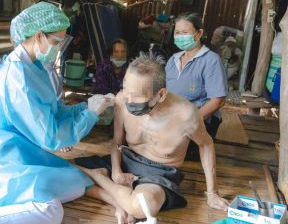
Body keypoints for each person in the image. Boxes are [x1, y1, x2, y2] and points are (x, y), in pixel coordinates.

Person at [0, 2, 113, 224]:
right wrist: (91, 115)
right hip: (1, 157)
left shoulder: (31, 66)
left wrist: (85, 107)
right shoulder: (17, 78)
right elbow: (51, 137)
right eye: (57, 41)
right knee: (50, 210)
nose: (59, 46)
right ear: (38, 35)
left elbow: (52, 111)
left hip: (14, 151)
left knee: (70, 182)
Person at [75, 55, 229, 224]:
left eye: (137, 96)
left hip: (159, 172)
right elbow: (117, 142)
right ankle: (119, 202)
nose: (129, 100)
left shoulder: (186, 115)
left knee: (142, 207)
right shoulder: (121, 100)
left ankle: (97, 177)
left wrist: (212, 193)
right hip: (126, 160)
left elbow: (206, 145)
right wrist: (117, 171)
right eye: (126, 91)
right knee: (64, 171)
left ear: (160, 94)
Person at [165, 12, 227, 160]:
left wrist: (188, 122)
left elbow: (218, 100)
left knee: (171, 155)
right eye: (177, 32)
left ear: (199, 33)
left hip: (200, 121)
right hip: (174, 120)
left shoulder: (210, 60)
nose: (180, 36)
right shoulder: (173, 60)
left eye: (185, 32)